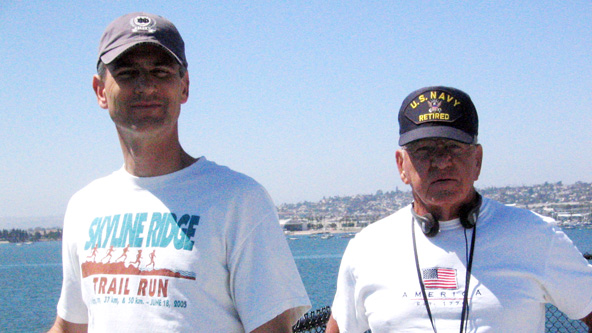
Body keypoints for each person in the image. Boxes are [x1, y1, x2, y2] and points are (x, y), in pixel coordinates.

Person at [50, 12, 310, 332]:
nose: (146, 85)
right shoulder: (83, 207)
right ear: (100, 90)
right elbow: (70, 327)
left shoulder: (239, 201)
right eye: (128, 73)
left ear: (184, 87)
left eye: (160, 72)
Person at [326, 86, 592, 332]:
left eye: (453, 147)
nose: (441, 162)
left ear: (477, 160)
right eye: (424, 150)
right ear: (401, 166)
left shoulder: (536, 235)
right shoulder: (367, 247)